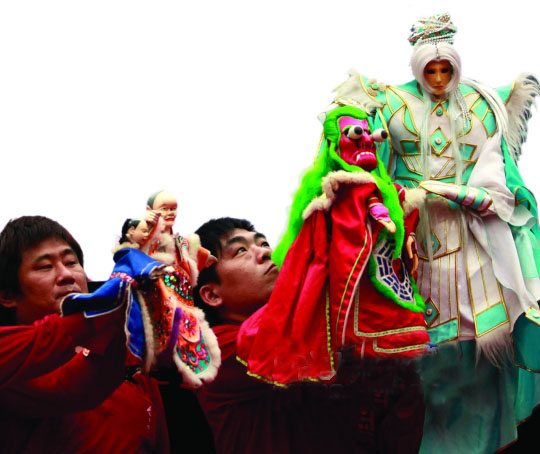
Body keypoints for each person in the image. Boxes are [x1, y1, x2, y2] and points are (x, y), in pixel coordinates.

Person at [329, 13, 540, 453]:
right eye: (432, 70)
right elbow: (367, 166)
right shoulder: (386, 102)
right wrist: (395, 210)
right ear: (418, 67)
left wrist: (470, 194)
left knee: (485, 352)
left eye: (446, 69)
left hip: (475, 233)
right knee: (414, 356)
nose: (440, 78)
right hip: (408, 234)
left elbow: (498, 169)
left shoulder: (484, 103)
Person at [194, 216, 424, 454]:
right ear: (212, 295)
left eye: (263, 244)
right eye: (240, 250)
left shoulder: (343, 347)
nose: (266, 253)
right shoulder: (211, 350)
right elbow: (285, 335)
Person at [0, 216, 169, 454]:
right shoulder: (11, 369)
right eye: (45, 266)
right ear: (8, 295)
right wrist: (108, 313)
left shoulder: (132, 355)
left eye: (71, 262)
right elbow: (73, 388)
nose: (66, 275)